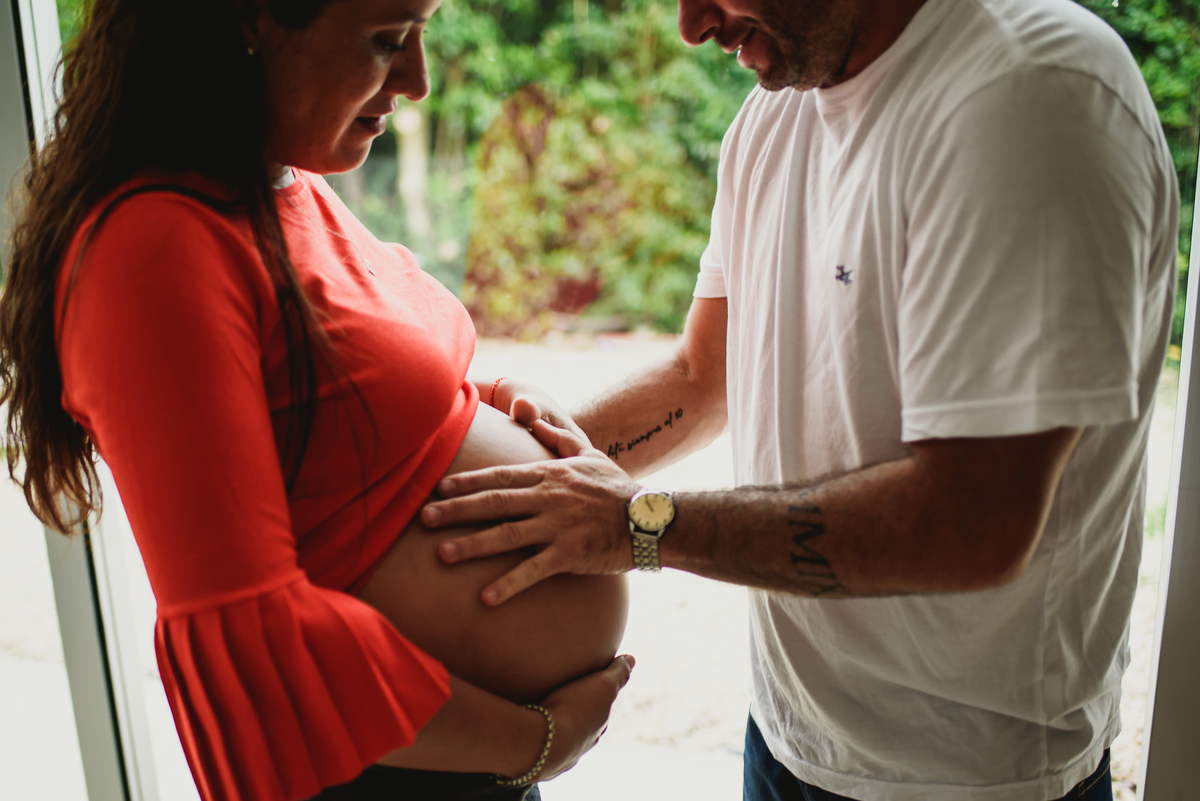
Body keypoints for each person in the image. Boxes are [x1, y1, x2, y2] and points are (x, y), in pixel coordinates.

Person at [420, 0, 1179, 799]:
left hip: (971, 773)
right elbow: (702, 379)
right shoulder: (773, 118)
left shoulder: (1029, 94)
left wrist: (639, 524)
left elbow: (974, 521)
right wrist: (498, 477)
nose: (691, 25)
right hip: (788, 740)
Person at [0, 1, 633, 800]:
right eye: (387, 42)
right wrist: (537, 741)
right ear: (248, 21)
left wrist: (496, 399)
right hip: (373, 774)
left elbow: (343, 403)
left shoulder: (278, 179)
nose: (419, 81)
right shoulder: (153, 247)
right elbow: (249, 628)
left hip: (448, 764)